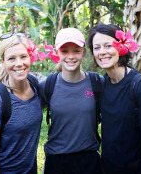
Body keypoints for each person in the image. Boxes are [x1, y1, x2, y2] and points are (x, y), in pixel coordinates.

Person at [88, 24, 141, 174]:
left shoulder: (140, 87)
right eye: (97, 48)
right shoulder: (102, 84)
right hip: (107, 168)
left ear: (121, 47)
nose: (102, 52)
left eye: (108, 45)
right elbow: (86, 99)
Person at [39, 28, 103, 174]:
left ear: (84, 52)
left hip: (89, 160)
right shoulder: (47, 86)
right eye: (65, 51)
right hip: (57, 161)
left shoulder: (97, 83)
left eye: (76, 51)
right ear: (56, 53)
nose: (71, 56)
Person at [0, 33, 43, 174]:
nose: (19, 63)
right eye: (11, 58)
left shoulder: (34, 85)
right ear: (3, 62)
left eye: (23, 56)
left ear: (30, 57)